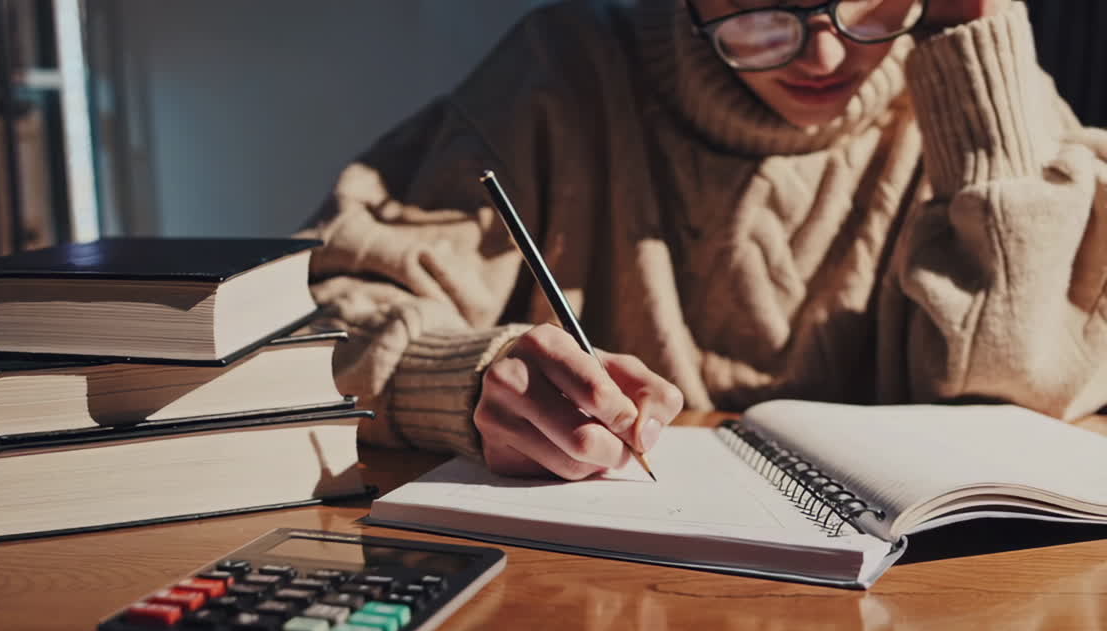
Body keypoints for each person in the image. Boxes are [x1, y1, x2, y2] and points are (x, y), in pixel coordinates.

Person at [299, 0, 1107, 480]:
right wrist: (469, 380)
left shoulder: (982, 88)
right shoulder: (562, 72)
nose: (826, 55)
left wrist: (984, 69)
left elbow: (1029, 396)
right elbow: (318, 321)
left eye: (867, 0)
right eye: (763, 8)